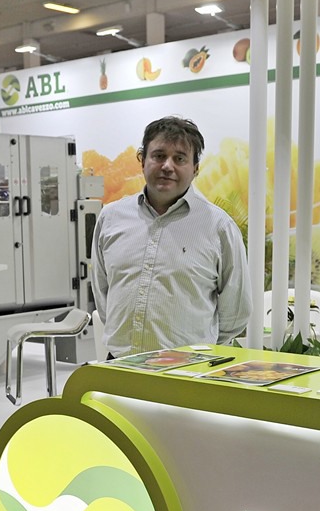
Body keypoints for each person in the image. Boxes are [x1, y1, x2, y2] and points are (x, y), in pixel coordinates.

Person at [92, 116, 250, 358]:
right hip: (120, 364)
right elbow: (103, 291)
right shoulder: (111, 218)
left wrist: (198, 350)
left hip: (188, 368)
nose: (167, 166)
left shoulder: (219, 227)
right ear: (142, 160)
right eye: (158, 156)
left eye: (179, 158)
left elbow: (236, 310)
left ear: (195, 169)